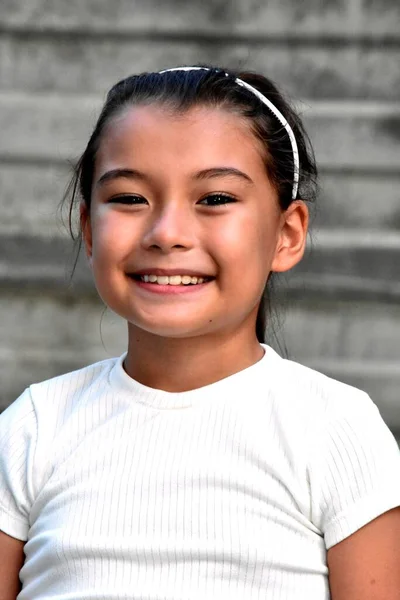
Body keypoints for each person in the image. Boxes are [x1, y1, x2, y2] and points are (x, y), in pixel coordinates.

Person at [0, 65, 399, 600]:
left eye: (214, 199)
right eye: (129, 198)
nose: (167, 233)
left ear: (286, 234)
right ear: (89, 230)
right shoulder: (34, 428)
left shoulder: (335, 430)